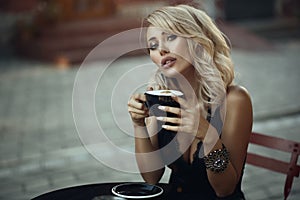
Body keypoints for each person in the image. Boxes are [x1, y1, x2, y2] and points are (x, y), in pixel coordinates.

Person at [127, 4, 253, 200]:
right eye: (153, 45)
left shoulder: (235, 100)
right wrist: (138, 125)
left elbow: (225, 189)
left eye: (170, 37)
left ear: (197, 40)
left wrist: (208, 135)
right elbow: (151, 178)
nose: (161, 49)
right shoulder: (161, 98)